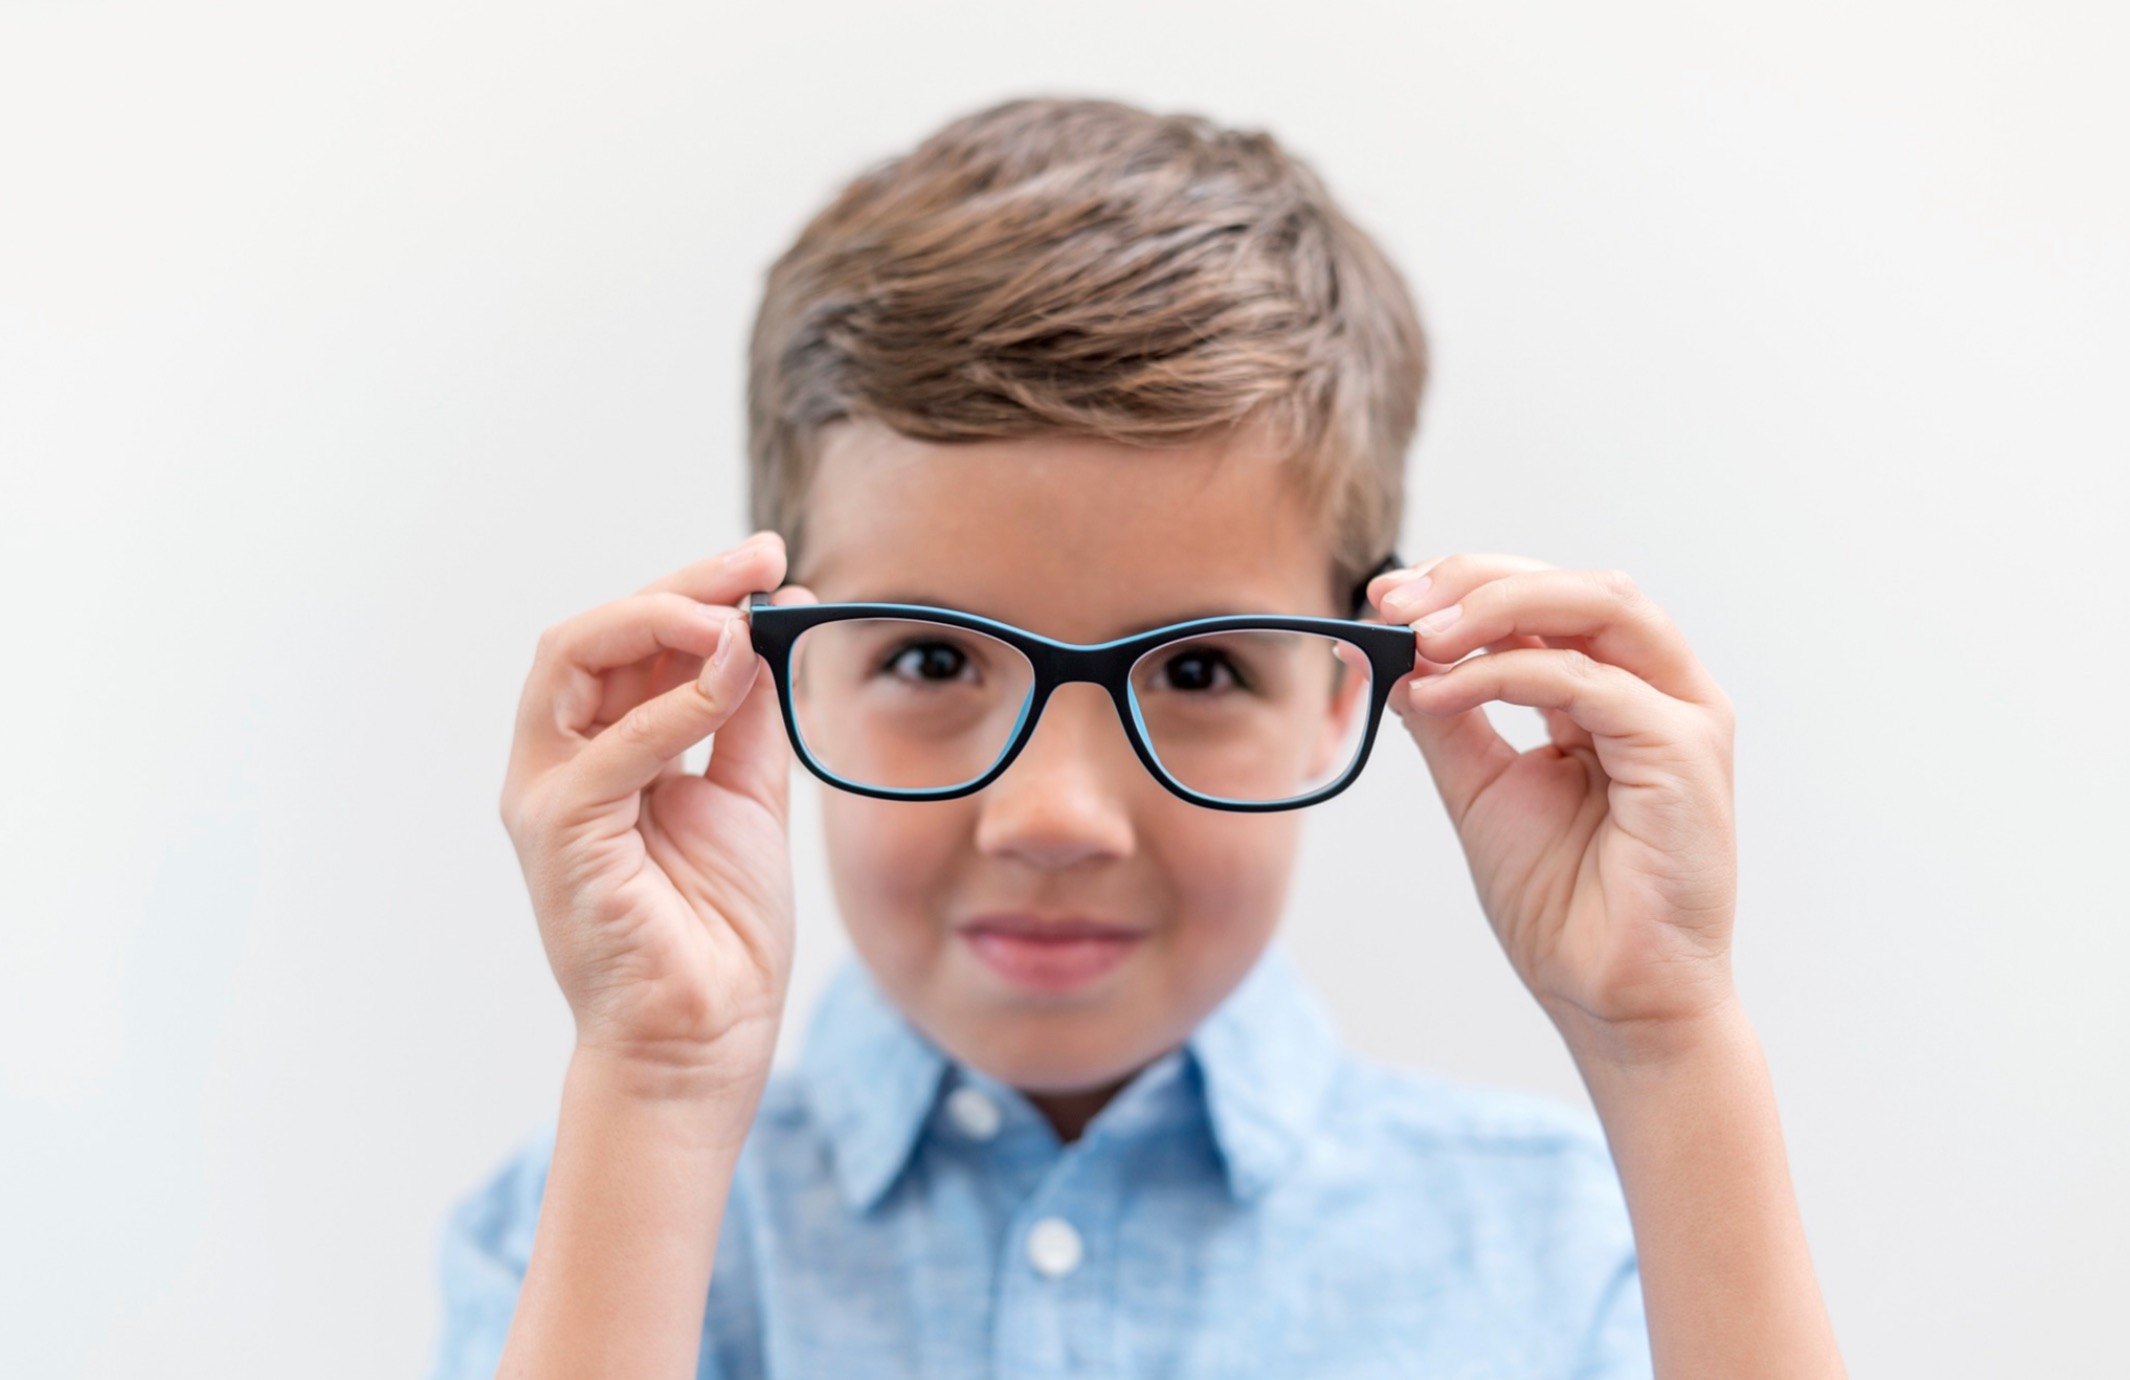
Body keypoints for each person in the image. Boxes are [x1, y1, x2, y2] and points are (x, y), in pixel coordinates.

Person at [429, 97, 1845, 1378]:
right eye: (932, 658)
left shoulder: (1568, 1255)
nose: (1055, 817)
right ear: (767, 673)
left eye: (1201, 670)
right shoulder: (590, 1221)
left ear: (1344, 690)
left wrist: (1663, 1041)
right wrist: (660, 1081)